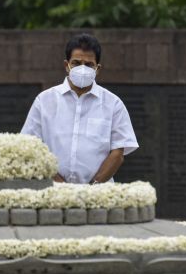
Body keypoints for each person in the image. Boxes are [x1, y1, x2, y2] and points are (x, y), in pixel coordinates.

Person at [21, 33, 138, 184]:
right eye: (76, 63)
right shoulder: (44, 101)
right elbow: (30, 146)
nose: (82, 68)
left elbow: (118, 153)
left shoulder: (113, 104)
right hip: (52, 193)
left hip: (98, 195)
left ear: (98, 68)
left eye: (89, 64)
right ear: (66, 65)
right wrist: (59, 184)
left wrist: (93, 187)